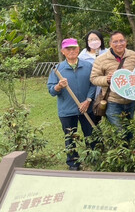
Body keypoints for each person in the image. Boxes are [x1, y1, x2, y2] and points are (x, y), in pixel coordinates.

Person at [48, 38, 95, 170]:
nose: (72, 51)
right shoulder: (57, 69)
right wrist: (58, 86)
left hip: (86, 108)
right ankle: (73, 163)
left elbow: (93, 85)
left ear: (79, 49)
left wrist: (88, 100)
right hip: (67, 111)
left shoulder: (88, 66)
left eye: (74, 48)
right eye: (68, 49)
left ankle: (93, 158)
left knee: (90, 135)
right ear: (63, 51)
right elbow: (51, 90)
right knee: (70, 138)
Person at [90, 31, 135, 128]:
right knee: (119, 131)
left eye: (121, 41)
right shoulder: (101, 59)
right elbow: (94, 78)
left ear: (126, 41)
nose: (119, 44)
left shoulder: (133, 55)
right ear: (110, 44)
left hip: (130, 100)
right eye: (115, 42)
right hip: (113, 101)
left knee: (129, 129)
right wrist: (106, 79)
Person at [78, 30, 107, 123]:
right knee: (94, 116)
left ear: (101, 40)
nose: (94, 41)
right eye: (91, 39)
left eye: (96, 39)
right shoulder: (82, 55)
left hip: (106, 88)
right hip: (90, 90)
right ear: (87, 42)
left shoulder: (108, 52)